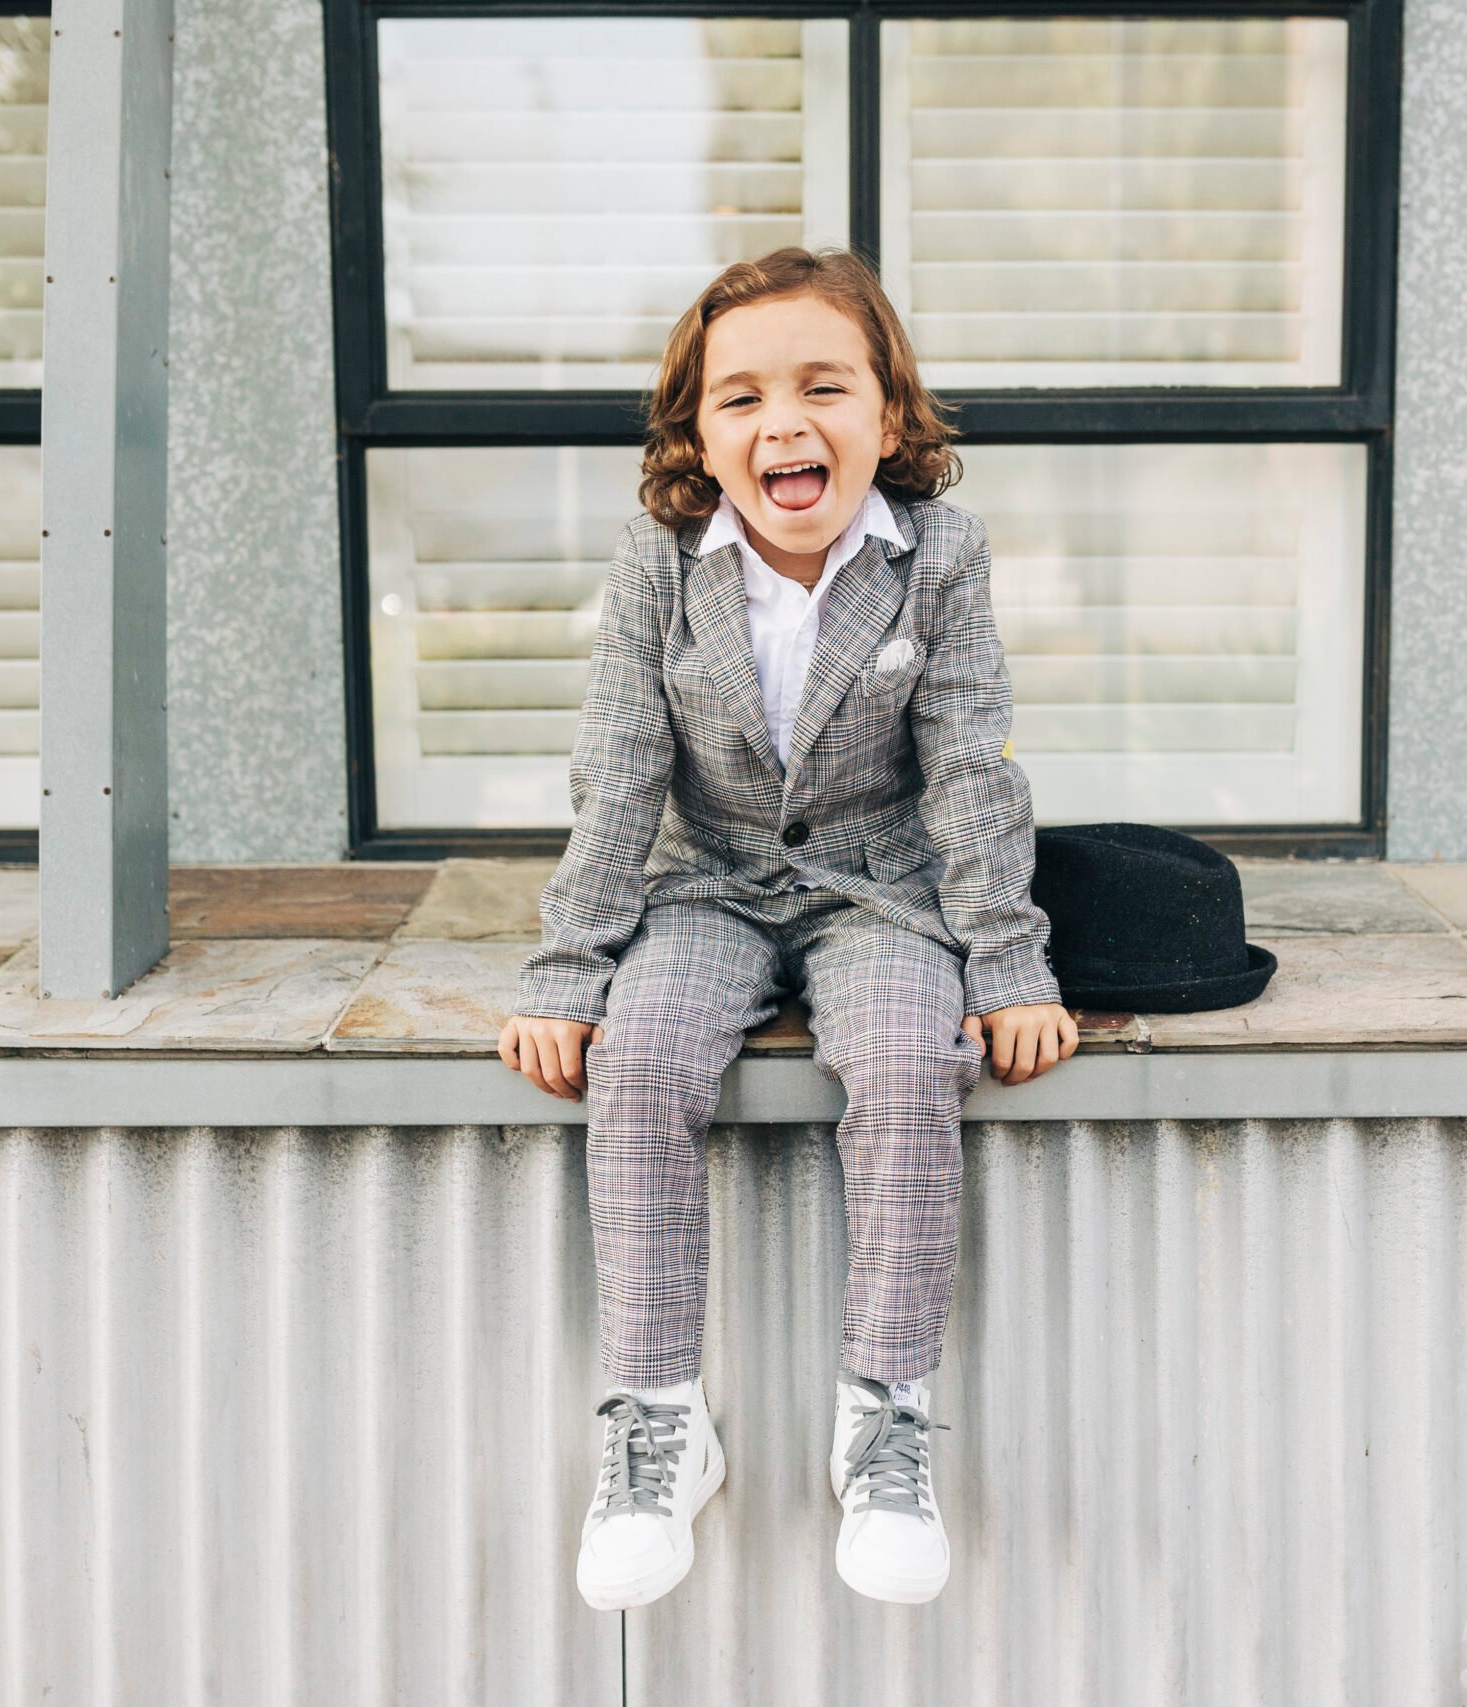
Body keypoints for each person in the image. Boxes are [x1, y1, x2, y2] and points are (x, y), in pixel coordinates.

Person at [497, 246, 1076, 1611]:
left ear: (890, 413)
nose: (785, 425)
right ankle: (656, 1417)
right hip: (709, 880)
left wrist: (1006, 963)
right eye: (742, 399)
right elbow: (622, 764)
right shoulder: (660, 559)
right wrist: (570, 968)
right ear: (699, 433)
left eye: (825, 387)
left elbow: (972, 767)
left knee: (903, 1056)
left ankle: (886, 1414)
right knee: (640, 1063)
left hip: (883, 884)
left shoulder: (939, 552)